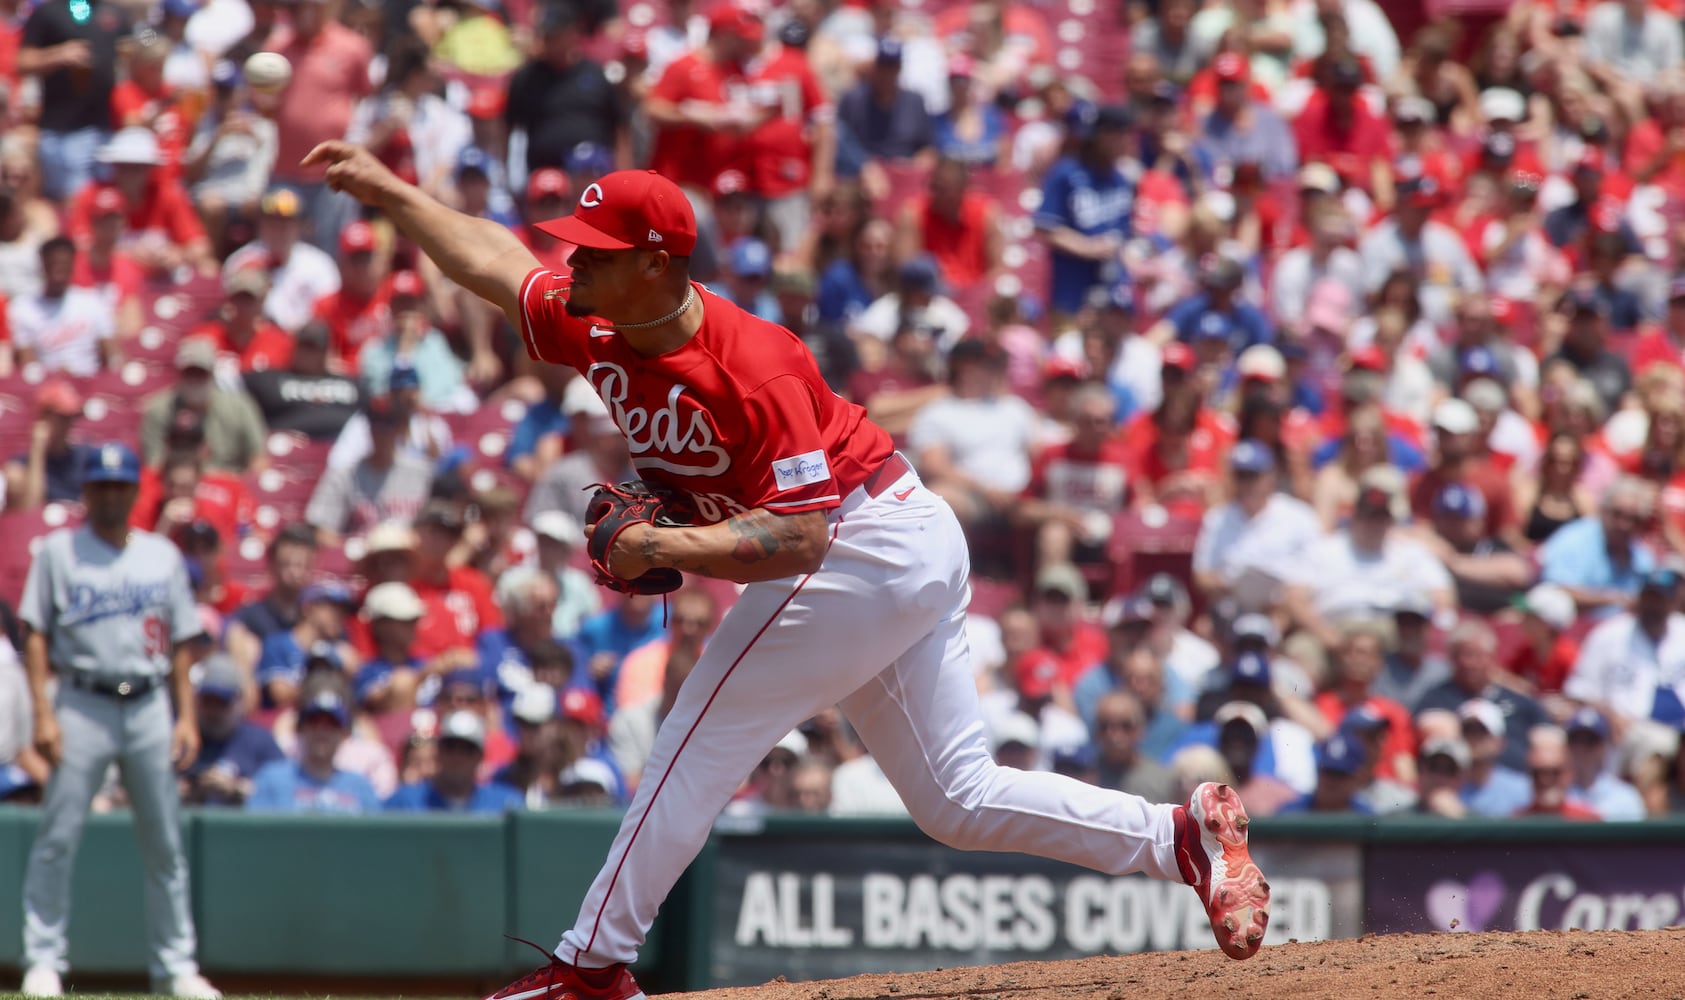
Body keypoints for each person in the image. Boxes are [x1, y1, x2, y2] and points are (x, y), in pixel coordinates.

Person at [302, 142, 1275, 993]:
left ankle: (590, 968)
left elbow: (801, 539)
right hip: (891, 539)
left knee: (696, 730)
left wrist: (660, 546)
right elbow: (494, 260)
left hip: (864, 540)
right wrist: (390, 190)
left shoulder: (749, 360)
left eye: (593, 251)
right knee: (955, 800)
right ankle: (1180, 838)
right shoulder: (595, 317)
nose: (571, 261)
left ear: (653, 261)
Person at [16, 444, 220, 999]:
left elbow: (181, 642)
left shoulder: (160, 555)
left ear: (135, 491)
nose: (110, 494)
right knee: (57, 836)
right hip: (83, 701)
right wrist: (43, 712)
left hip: (150, 701)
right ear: (85, 491)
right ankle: (43, 959)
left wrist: (185, 717)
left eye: (119, 485)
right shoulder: (60, 552)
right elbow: (34, 634)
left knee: (165, 843)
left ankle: (176, 966)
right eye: (100, 485)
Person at [246, 688, 381, 813]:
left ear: (344, 735)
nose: (321, 732)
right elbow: (256, 833)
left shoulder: (361, 787)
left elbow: (375, 836)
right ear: (300, 730)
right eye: (314, 723)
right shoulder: (272, 780)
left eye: (331, 725)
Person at [180, 654, 282, 808]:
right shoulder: (182, 741)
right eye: (208, 701)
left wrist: (235, 788)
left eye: (222, 703)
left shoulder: (260, 742)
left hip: (242, 828)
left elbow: (284, 793)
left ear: (239, 701)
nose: (213, 711)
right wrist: (185, 790)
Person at [7, 237, 117, 376]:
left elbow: (110, 352)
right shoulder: (22, 307)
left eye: (64, 264)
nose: (58, 270)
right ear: (42, 264)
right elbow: (27, 361)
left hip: (90, 382)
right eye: (53, 264)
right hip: (45, 385)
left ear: (72, 264)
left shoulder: (92, 302)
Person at [383, 709, 524, 813]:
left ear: (480, 757)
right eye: (450, 747)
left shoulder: (507, 804)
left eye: (467, 749)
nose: (457, 756)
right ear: (438, 751)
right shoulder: (405, 802)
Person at [3, 379, 97, 510]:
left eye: (72, 417)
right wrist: (37, 449)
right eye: (62, 417)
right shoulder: (19, 466)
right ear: (43, 417)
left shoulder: (86, 456)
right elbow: (30, 511)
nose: (69, 424)